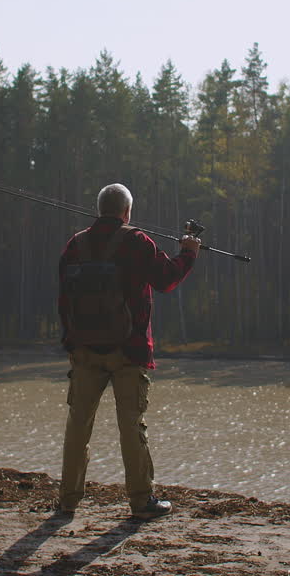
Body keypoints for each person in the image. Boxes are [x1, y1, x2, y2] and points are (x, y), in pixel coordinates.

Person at [57, 183, 200, 519]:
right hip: (128, 351)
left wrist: (71, 344)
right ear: (127, 212)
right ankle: (140, 501)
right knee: (131, 426)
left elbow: (63, 299)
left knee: (78, 426)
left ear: (99, 209)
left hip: (85, 351)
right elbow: (167, 279)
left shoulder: (74, 246)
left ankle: (67, 502)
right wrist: (190, 252)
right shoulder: (137, 242)